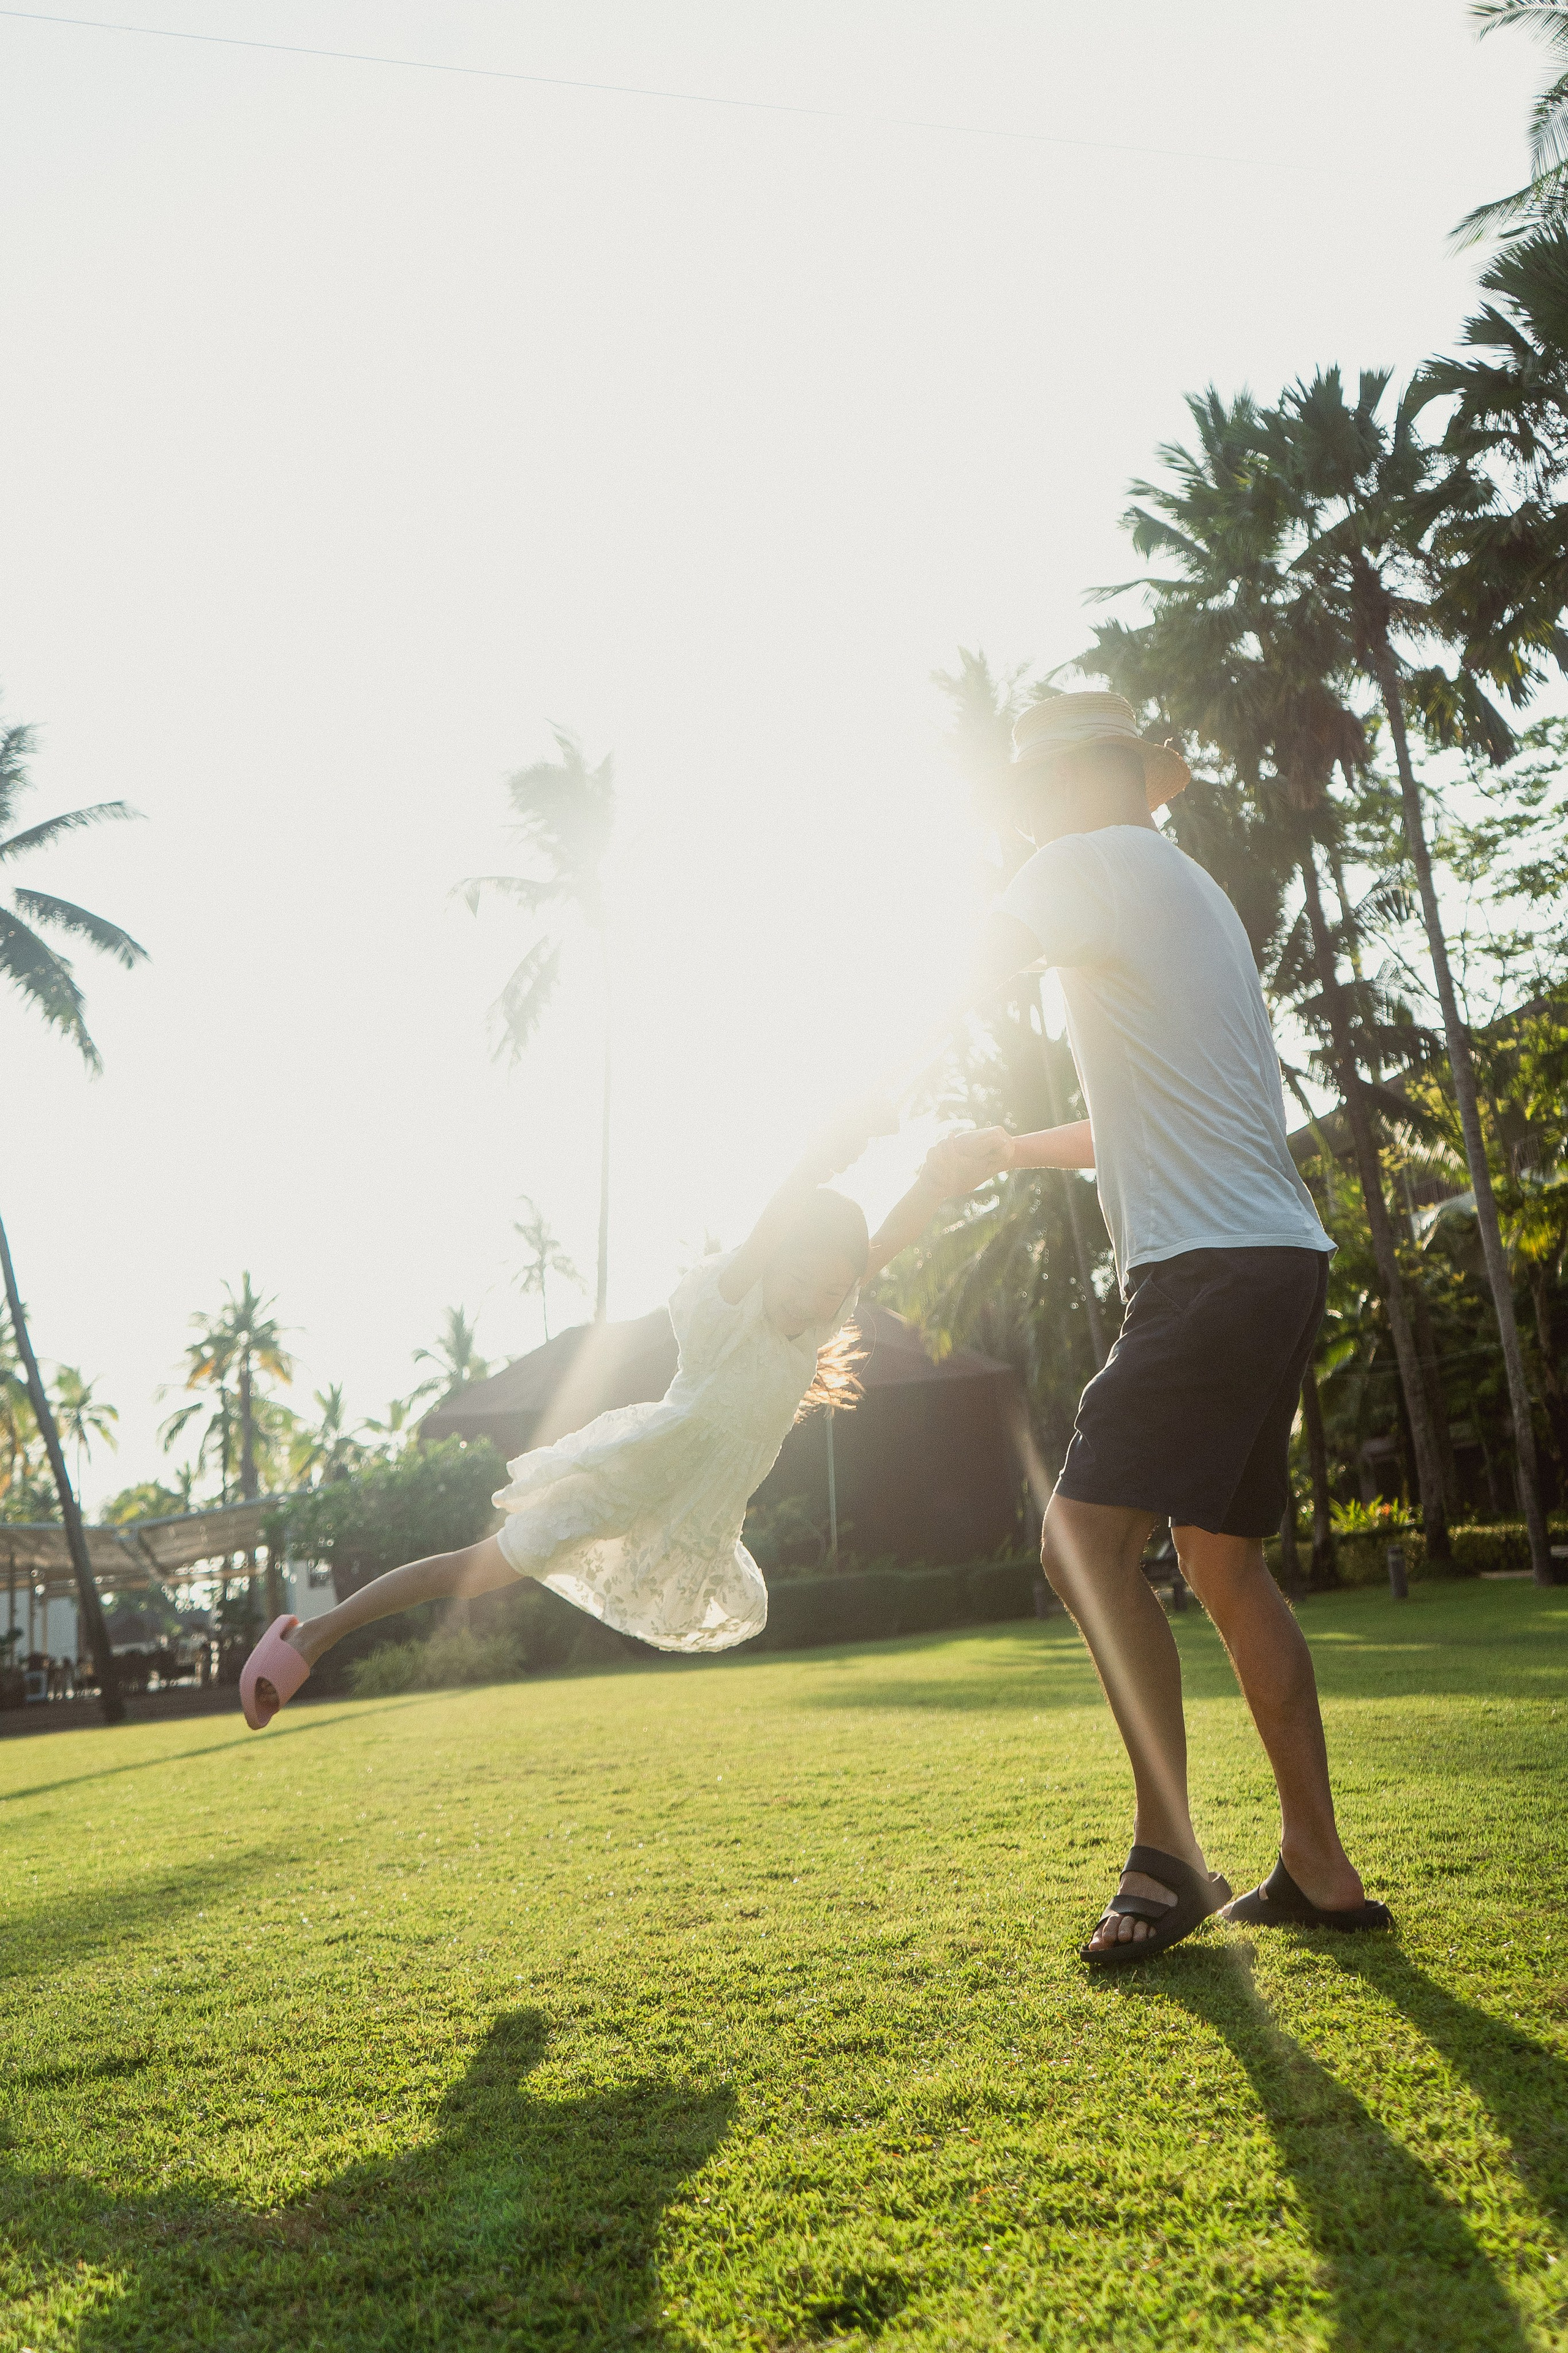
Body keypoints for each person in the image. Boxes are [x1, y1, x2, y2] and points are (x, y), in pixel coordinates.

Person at [929, 689, 1390, 1964]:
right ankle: (1318, 1867)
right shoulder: (1187, 894)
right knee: (1223, 1565)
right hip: (1274, 1259)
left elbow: (967, 968)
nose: (1028, 815)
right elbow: (1145, 1116)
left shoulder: (1079, 865)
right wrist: (1010, 1148)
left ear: (1078, 781)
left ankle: (1170, 1854)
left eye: (1035, 790)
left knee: (1081, 1546)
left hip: (1202, 1273)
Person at [239, 1108, 958, 1728]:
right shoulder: (731, 1311)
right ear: (773, 1263)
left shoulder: (813, 1328)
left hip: (691, 1510)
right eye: (800, 1278)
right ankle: (312, 1636)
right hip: (627, 1479)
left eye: (831, 1290)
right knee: (474, 1572)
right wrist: (816, 1160)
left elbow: (887, 1242)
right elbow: (773, 1229)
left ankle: (315, 1635)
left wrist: (938, 1178)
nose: (812, 1300)